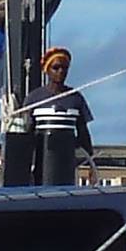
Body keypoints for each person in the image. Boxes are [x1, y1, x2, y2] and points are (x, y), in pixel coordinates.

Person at [28, 42, 94, 186]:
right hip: (41, 164)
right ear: (47, 70)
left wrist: (91, 164)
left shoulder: (75, 98)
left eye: (64, 68)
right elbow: (27, 132)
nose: (60, 71)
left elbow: (83, 132)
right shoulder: (34, 98)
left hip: (66, 165)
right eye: (56, 67)